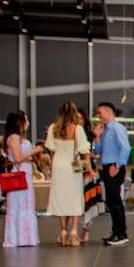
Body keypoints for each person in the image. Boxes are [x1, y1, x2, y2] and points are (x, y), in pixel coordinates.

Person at [45, 102, 91, 246]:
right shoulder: (78, 129)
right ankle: (73, 231)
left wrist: (53, 167)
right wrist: (89, 168)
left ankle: (63, 231)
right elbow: (84, 152)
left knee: (60, 197)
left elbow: (51, 150)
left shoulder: (53, 128)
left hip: (58, 164)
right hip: (73, 165)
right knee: (75, 197)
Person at [2, 110, 42, 248]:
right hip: (20, 173)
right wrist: (34, 150)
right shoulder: (13, 138)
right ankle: (20, 238)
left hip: (26, 172)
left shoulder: (17, 138)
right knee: (20, 205)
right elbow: (18, 158)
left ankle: (25, 237)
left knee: (26, 204)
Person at [95, 102, 130, 246]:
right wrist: (97, 136)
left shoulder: (117, 128)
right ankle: (116, 231)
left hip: (114, 167)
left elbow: (126, 148)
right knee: (110, 199)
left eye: (100, 112)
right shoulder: (106, 130)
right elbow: (99, 151)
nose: (98, 115)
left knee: (114, 200)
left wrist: (117, 165)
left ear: (109, 112)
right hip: (107, 166)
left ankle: (121, 233)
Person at [78, 109, 102, 244]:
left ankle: (86, 231)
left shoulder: (90, 135)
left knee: (89, 201)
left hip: (89, 169)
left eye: (81, 119)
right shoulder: (71, 133)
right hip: (76, 169)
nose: (78, 121)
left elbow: (95, 153)